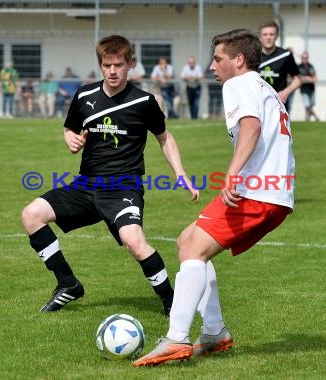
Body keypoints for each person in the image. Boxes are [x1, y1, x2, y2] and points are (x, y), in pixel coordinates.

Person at [134, 28, 294, 367]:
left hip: (257, 191)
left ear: (238, 60)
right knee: (187, 241)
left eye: (218, 59)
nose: (211, 67)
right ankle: (214, 332)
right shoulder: (262, 86)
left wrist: (233, 173)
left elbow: (251, 128)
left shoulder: (238, 84)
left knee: (193, 248)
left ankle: (176, 339)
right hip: (271, 191)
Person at [20, 34, 200, 316]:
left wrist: (180, 173)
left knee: (134, 241)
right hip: (86, 185)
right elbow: (69, 128)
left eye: (118, 64)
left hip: (123, 187)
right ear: (100, 65)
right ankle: (68, 284)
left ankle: (171, 303)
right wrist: (69, 138)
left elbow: (164, 138)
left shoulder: (144, 101)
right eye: (107, 65)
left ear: (131, 64)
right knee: (31, 215)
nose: (113, 71)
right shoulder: (84, 96)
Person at [258, 20, 301, 114]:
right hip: (257, 103)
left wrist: (286, 92)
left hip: (278, 104)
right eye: (265, 34)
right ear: (260, 37)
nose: (268, 37)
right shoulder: (253, 55)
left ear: (276, 36)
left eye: (271, 34)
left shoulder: (285, 55)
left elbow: (298, 79)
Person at [298, 51, 319, 121]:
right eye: (304, 58)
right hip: (303, 89)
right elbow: (298, 78)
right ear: (301, 58)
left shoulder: (311, 66)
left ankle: (307, 119)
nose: (305, 59)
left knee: (311, 105)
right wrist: (308, 78)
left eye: (306, 58)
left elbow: (315, 78)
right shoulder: (298, 67)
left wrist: (306, 78)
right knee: (307, 105)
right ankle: (316, 118)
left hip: (311, 89)